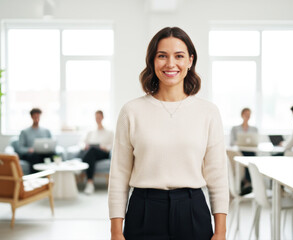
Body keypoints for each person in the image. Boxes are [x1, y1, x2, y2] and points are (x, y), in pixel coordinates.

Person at [108, 27, 229, 240]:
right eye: (162, 56)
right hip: (144, 210)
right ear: (152, 61)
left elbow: (218, 175)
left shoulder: (208, 112)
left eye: (179, 56)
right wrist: (116, 231)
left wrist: (221, 231)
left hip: (192, 209)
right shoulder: (131, 111)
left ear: (190, 61)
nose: (170, 64)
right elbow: (119, 175)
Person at [81, 110, 113, 194]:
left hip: (103, 153)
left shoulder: (109, 132)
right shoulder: (90, 132)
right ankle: (90, 183)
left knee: (92, 151)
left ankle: (89, 182)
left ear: (102, 117)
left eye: (99, 117)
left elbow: (112, 145)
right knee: (91, 151)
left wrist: (104, 147)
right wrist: (85, 146)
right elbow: (82, 143)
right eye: (96, 117)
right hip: (92, 153)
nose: (97, 119)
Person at [230, 108, 258, 195]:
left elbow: (256, 142)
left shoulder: (254, 129)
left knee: (251, 156)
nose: (247, 116)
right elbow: (231, 142)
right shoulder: (235, 128)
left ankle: (247, 181)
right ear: (242, 115)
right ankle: (246, 182)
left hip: (251, 152)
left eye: (249, 114)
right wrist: (238, 143)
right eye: (246, 114)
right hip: (239, 152)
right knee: (245, 156)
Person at [18, 108, 54, 173]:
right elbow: (20, 148)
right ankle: (36, 178)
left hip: (44, 153)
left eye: (38, 117)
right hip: (31, 155)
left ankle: (50, 176)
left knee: (53, 155)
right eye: (35, 117)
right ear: (31, 117)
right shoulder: (24, 132)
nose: (37, 119)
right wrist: (29, 149)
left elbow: (51, 143)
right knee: (35, 157)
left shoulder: (46, 131)